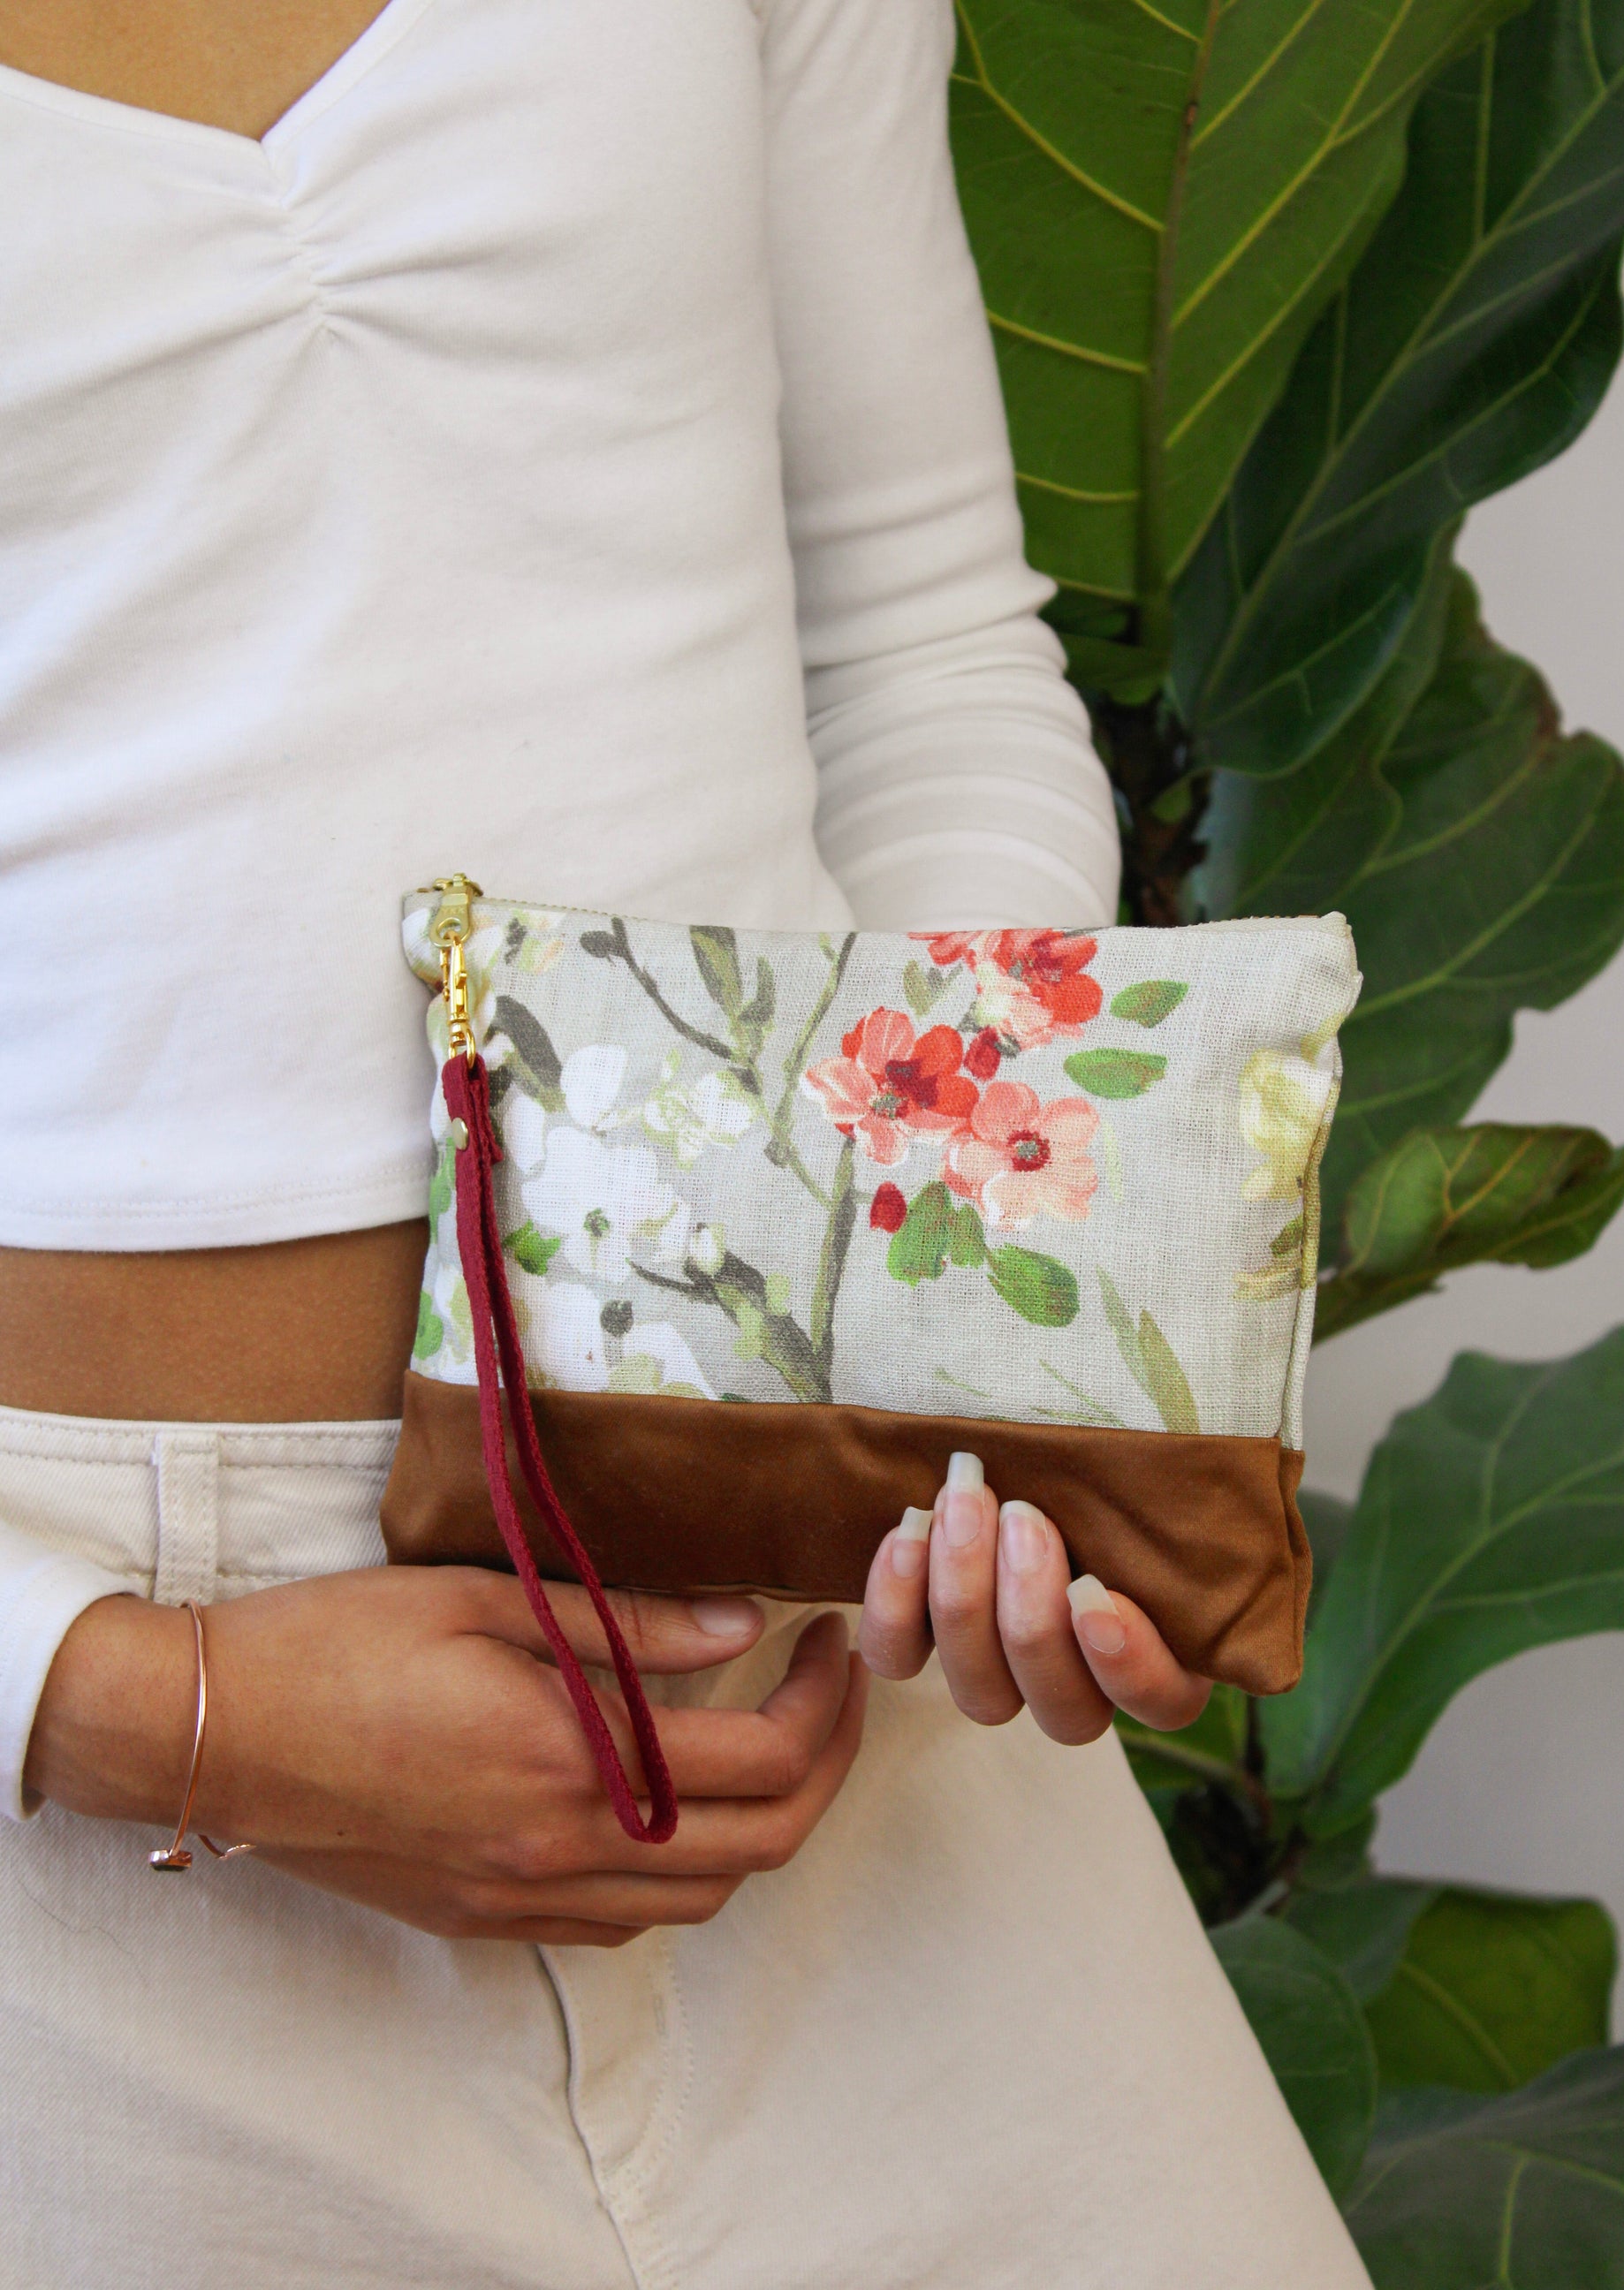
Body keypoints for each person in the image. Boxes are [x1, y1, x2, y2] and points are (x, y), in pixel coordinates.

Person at [0, 0, 1370, 2281]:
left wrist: (980, 1372)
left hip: (802, 1643)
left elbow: (921, 654)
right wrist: (159, 1711)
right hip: (93, 1798)